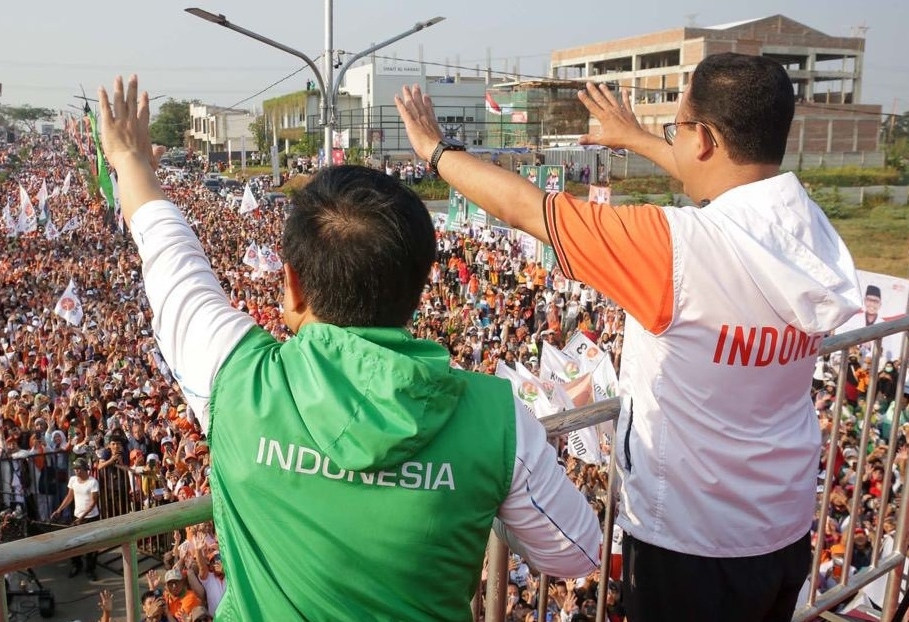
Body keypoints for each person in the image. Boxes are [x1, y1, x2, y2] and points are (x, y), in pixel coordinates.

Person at [97, 75, 600, 620]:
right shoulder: (498, 420)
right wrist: (470, 494)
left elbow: (171, 258)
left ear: (290, 282)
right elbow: (577, 552)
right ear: (416, 288)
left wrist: (130, 160)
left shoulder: (235, 377)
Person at [395, 52, 861, 622]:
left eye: (677, 129)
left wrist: (436, 152)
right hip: (783, 526)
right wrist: (639, 138)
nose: (674, 141)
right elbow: (728, 183)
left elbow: (523, 207)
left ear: (705, 139)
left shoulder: (671, 247)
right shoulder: (811, 230)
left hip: (688, 543)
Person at [49, 457, 100, 580]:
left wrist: (82, 517)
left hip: (91, 517)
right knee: (74, 542)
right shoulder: (73, 480)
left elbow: (93, 502)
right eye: (75, 469)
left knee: (92, 546)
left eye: (79, 469)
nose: (76, 471)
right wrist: (59, 510)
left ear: (85, 469)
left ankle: (90, 569)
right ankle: (76, 565)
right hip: (77, 516)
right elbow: (69, 497)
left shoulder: (93, 482)